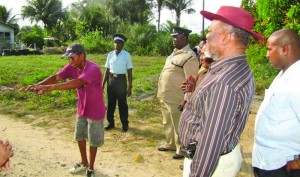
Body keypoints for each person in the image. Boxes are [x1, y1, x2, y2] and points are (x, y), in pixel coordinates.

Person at [178, 6, 262, 177]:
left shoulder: (225, 82)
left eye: (210, 31)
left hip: (211, 167)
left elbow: (210, 144)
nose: (206, 36)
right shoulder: (231, 68)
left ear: (225, 37)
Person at [19, 44, 106, 177]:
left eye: (72, 58)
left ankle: (91, 169)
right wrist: (38, 85)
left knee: (93, 140)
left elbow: (78, 82)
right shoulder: (72, 66)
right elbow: (56, 77)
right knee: (80, 136)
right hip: (82, 108)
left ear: (81, 56)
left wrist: (51, 88)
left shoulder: (93, 69)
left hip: (95, 109)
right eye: (68, 59)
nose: (69, 62)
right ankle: (84, 163)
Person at [252, 29, 300, 177]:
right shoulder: (283, 74)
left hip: (284, 165)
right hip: (267, 161)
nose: (266, 54)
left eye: (269, 49)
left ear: (284, 49)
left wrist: (298, 163)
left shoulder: (297, 79)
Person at [157, 27, 199, 159]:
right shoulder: (173, 54)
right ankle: (170, 143)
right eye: (173, 36)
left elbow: (191, 81)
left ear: (185, 38)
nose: (173, 39)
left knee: (178, 123)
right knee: (167, 121)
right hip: (165, 95)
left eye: (176, 37)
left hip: (177, 97)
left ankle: (180, 148)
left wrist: (186, 99)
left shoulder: (190, 56)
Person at [102, 34, 133, 132]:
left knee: (122, 104)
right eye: (115, 43)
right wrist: (102, 84)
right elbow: (107, 70)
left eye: (119, 43)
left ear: (123, 44)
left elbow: (129, 71)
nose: (117, 45)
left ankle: (124, 124)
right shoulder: (110, 55)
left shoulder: (126, 55)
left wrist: (129, 87)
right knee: (110, 103)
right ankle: (110, 123)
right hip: (111, 80)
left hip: (121, 81)